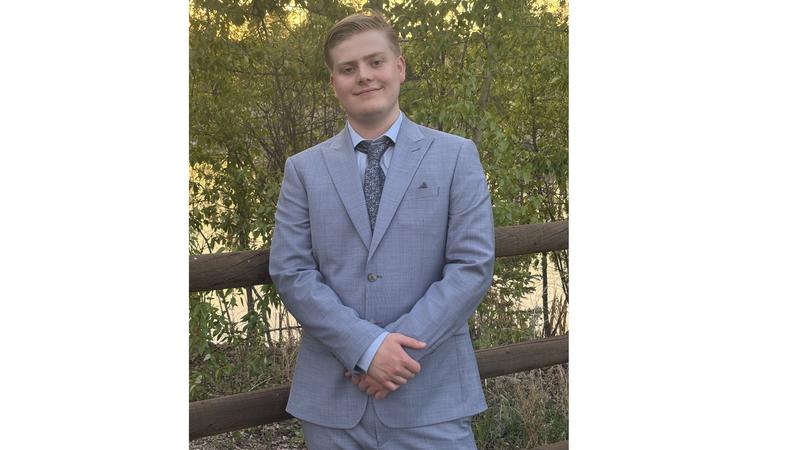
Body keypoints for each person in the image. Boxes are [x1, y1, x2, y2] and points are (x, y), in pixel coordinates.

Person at [268, 10, 495, 449]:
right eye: (348, 68)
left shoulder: (455, 156)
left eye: (375, 62)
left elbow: (471, 266)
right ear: (333, 82)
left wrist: (395, 355)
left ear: (399, 67)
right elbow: (292, 271)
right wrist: (366, 349)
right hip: (333, 404)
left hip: (431, 397)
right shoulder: (303, 170)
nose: (364, 76)